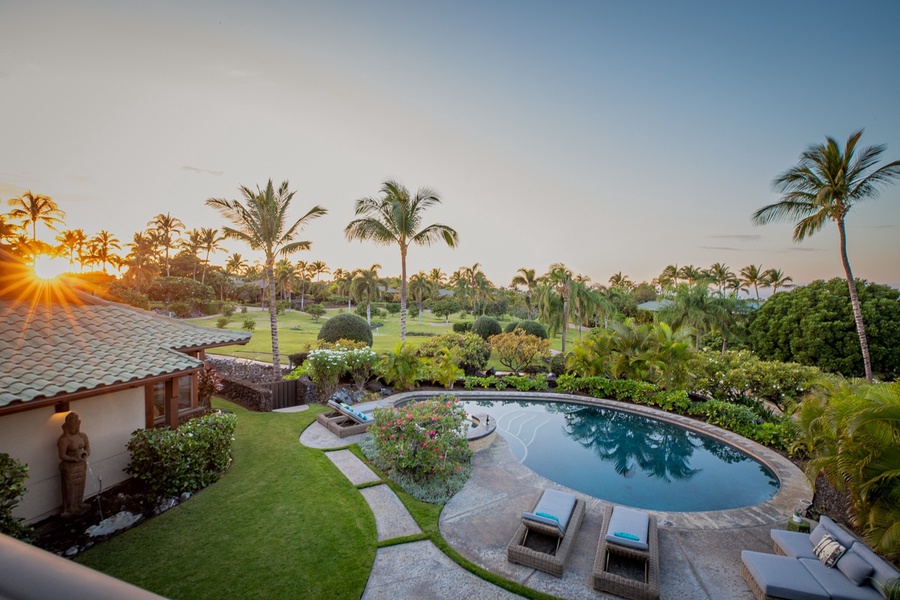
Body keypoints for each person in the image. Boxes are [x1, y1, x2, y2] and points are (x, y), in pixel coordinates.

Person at [57, 412, 91, 518]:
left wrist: (86, 453)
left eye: (77, 422)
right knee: (70, 486)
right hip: (70, 466)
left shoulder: (83, 436)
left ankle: (79, 502)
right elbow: (61, 455)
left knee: (81, 483)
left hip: (81, 464)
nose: (75, 426)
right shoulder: (64, 439)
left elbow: (88, 447)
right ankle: (71, 506)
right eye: (73, 423)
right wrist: (72, 458)